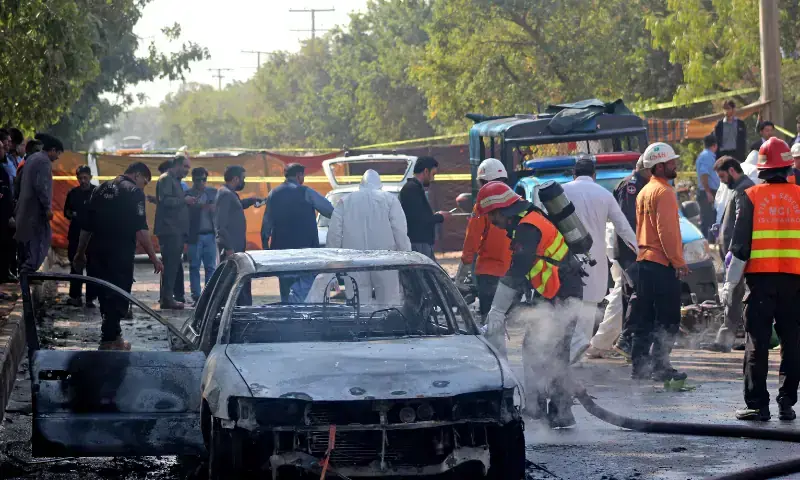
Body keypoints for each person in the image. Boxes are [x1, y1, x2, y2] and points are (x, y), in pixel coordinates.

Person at [476, 181, 584, 428]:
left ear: (500, 210)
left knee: (549, 350)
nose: (491, 222)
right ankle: (550, 409)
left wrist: (497, 309)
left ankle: (551, 410)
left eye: (491, 216)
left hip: (561, 293)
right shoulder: (529, 220)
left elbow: (517, 269)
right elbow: (529, 271)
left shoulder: (528, 227)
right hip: (555, 291)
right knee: (544, 349)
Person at [723, 137, 800, 421]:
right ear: (788, 166)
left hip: (760, 282)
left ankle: (757, 405)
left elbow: (740, 247)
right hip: (795, 283)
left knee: (757, 341)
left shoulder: (751, 196)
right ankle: (787, 403)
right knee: (793, 342)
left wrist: (730, 284)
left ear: (762, 169)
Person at [73, 162, 163, 351]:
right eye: (145, 182)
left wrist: (80, 252)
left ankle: (113, 337)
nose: (143, 186)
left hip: (97, 251)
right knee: (119, 294)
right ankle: (109, 340)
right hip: (120, 252)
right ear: (137, 175)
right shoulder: (134, 192)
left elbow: (86, 226)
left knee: (104, 293)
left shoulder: (100, 189)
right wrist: (154, 258)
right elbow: (141, 229)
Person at [562, 157, 638, 362]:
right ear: (594, 175)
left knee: (566, 307)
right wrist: (640, 252)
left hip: (565, 258)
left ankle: (564, 354)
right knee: (588, 306)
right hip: (594, 260)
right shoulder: (604, 194)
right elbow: (623, 228)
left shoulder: (562, 192)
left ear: (574, 174)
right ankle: (577, 348)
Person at [629, 142, 690, 382]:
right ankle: (660, 366)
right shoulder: (665, 192)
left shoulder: (644, 191)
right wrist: (678, 261)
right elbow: (667, 232)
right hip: (661, 264)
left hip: (644, 262)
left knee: (644, 317)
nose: (675, 165)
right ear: (660, 166)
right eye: (671, 162)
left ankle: (640, 366)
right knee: (668, 318)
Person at [590, 157, 651, 359]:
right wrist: (639, 248)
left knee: (625, 294)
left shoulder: (642, 184)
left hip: (634, 248)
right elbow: (627, 222)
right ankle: (613, 341)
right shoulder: (631, 186)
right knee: (629, 294)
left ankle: (616, 342)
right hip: (629, 250)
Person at [326, 169, 411, 304]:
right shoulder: (390, 200)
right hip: (385, 260)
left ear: (361, 184)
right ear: (379, 185)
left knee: (358, 302)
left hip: (354, 261)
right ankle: (386, 318)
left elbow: (334, 233)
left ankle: (362, 318)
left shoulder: (345, 201)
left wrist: (333, 258)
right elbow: (399, 231)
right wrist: (406, 256)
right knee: (389, 301)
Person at [702, 157, 755, 353]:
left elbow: (741, 223)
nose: (722, 181)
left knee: (734, 297)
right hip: (737, 253)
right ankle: (743, 339)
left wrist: (733, 250)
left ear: (732, 170)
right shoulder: (739, 189)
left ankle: (726, 341)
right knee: (736, 297)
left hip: (739, 255)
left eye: (723, 176)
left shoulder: (743, 189)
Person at [261, 163, 333, 301]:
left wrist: (266, 248)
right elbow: (329, 210)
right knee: (304, 291)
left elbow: (266, 224)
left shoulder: (273, 193)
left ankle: (287, 312)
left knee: (285, 289)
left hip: (281, 252)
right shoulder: (306, 192)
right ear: (299, 175)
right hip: (305, 252)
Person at [455, 158, 513, 320]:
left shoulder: (483, 205)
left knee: (490, 320)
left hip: (489, 273)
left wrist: (462, 274)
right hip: (513, 273)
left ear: (483, 182)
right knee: (511, 319)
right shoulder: (517, 201)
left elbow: (472, 240)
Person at [15, 134, 63, 276]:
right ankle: (28, 270)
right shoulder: (44, 162)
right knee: (42, 240)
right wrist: (47, 208)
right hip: (36, 212)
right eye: (58, 153)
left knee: (27, 245)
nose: (58, 157)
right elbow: (42, 187)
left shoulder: (32, 158)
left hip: (25, 211)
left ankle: (25, 274)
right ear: (52, 150)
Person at [216, 165, 261, 305]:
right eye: (243, 178)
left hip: (235, 246)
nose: (243, 181)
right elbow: (221, 225)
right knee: (232, 282)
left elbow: (238, 206)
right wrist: (229, 248)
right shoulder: (225, 194)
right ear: (235, 179)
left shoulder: (230, 193)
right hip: (231, 248)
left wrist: (252, 200)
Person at [154, 154, 192, 310]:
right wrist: (184, 200)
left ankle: (168, 297)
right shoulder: (166, 179)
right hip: (169, 230)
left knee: (173, 265)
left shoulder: (175, 181)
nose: (187, 170)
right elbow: (165, 200)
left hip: (176, 230)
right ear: (177, 165)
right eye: (185, 166)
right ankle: (167, 299)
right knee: (170, 265)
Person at [399, 156, 451, 260]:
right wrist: (440, 217)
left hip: (421, 243)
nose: (433, 179)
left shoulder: (414, 188)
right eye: (433, 174)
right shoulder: (411, 189)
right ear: (426, 171)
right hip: (419, 244)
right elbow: (420, 219)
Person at [64, 166, 97, 307]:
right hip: (75, 236)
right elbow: (66, 212)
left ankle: (90, 298)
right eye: (80, 178)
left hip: (92, 237)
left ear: (90, 177)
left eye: (85, 177)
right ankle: (75, 296)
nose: (83, 181)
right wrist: (74, 214)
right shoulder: (73, 193)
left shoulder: (97, 193)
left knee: (92, 267)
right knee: (75, 265)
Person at [186, 167, 217, 303]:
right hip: (195, 236)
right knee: (194, 267)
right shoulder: (187, 195)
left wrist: (214, 208)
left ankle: (209, 295)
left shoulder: (213, 193)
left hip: (210, 235)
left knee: (210, 267)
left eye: (203, 179)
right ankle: (196, 296)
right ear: (193, 180)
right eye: (198, 180)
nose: (201, 182)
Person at [696, 134, 721, 241]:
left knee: (710, 219)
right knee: (708, 219)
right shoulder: (707, 156)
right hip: (708, 191)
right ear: (715, 145)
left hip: (708, 190)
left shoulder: (705, 155)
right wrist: (708, 192)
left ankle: (709, 241)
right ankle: (706, 242)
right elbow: (704, 174)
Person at [0, 138, 14, 283]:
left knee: (6, 246)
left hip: (5, 216)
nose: (4, 150)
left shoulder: (3, 168)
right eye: (1, 148)